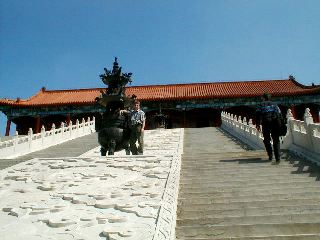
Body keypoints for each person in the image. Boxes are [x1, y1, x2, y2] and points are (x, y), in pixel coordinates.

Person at [255, 93, 282, 164]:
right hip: (275, 123)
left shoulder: (261, 105)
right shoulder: (275, 104)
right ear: (270, 98)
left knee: (266, 140)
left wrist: (257, 124)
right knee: (276, 140)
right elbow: (279, 114)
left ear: (263, 98)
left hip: (266, 124)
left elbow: (257, 114)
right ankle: (278, 158)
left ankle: (270, 155)